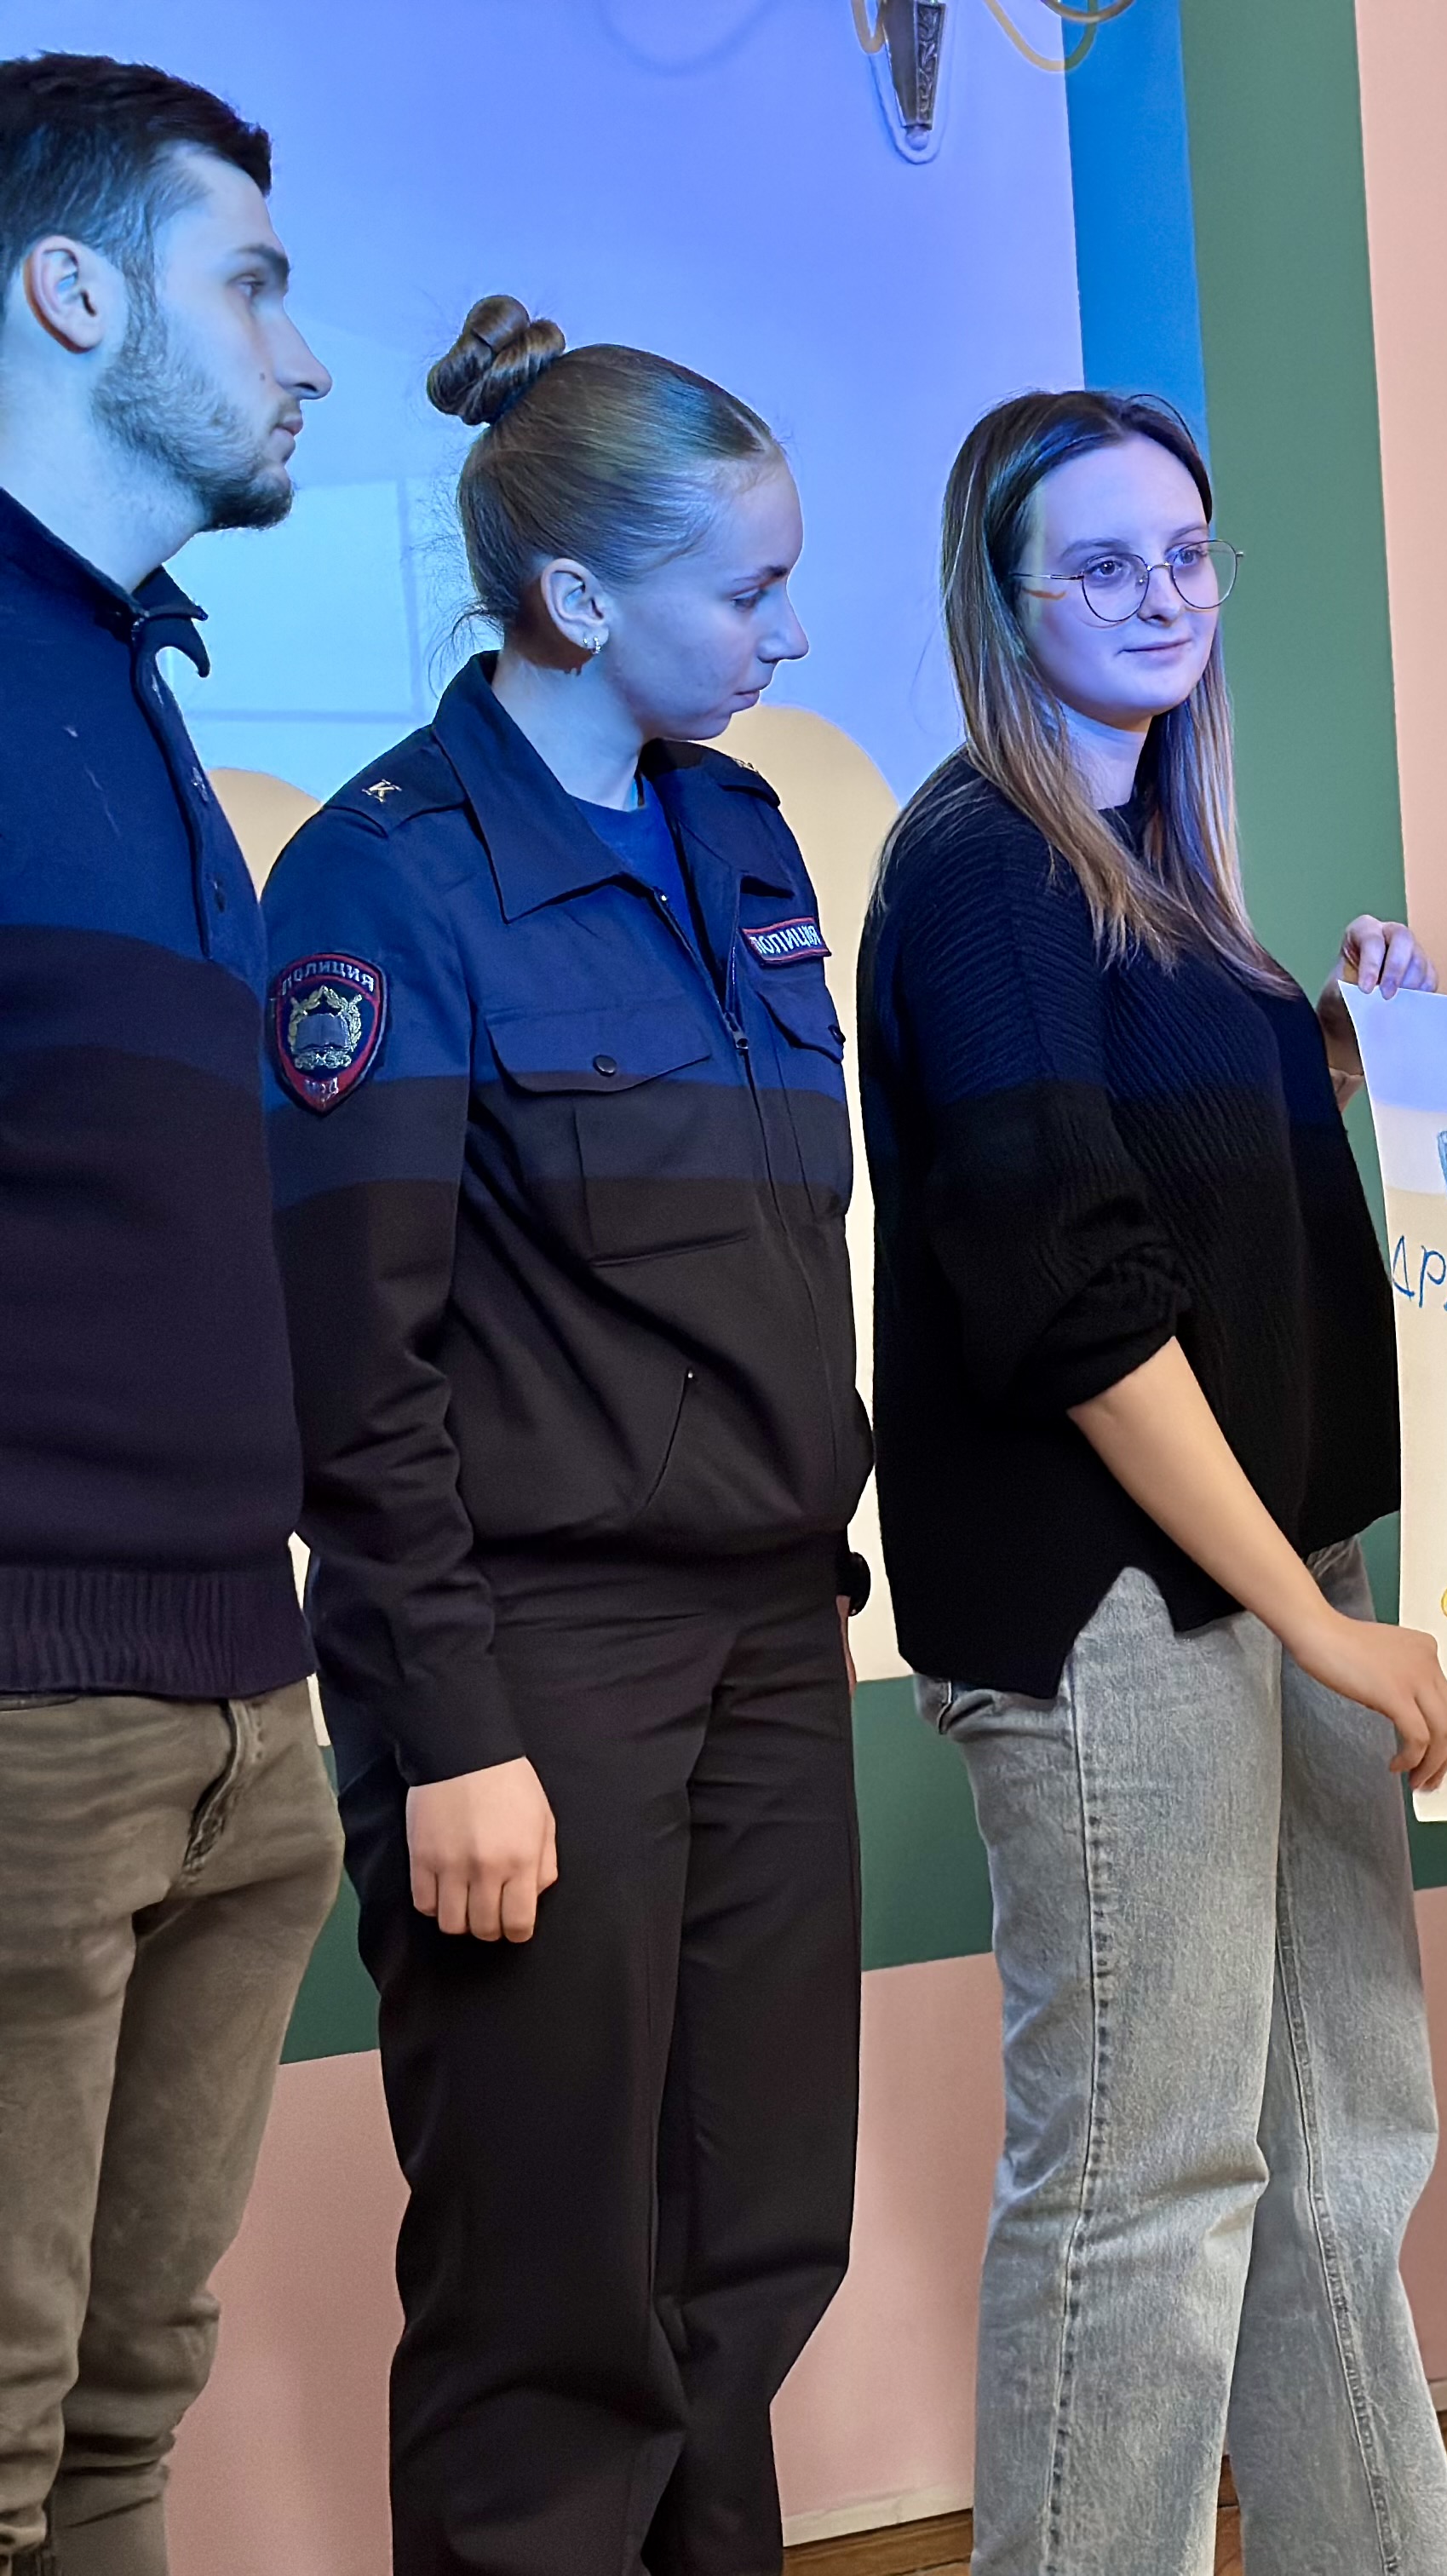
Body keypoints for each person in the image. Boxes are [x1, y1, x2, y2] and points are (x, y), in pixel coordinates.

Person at [261, 297, 870, 2573]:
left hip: (769, 1639)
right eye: (748, 590)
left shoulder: (748, 839)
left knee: (750, 2256)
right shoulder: (387, 879)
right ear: (582, 598)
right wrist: (453, 1736)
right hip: (534, 1669)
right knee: (551, 2301)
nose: (784, 636)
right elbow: (358, 1365)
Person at [859, 389, 1447, 2576]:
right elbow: (1075, 1299)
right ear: (1002, 601)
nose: (1161, 597)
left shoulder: (1164, 872)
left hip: (1274, 1578)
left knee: (1339, 2158)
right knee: (1147, 2184)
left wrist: (1329, 1048)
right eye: (1102, 565)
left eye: (1187, 555)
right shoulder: (985, 869)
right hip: (1116, 1615)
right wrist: (1316, 1622)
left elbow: (1180, 1196)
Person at [0, 55, 343, 2576]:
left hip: (246, 1700)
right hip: (32, 1719)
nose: (303, 353)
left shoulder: (131, 680)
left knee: (124, 2423)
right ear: (71, 292)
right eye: (255, 286)